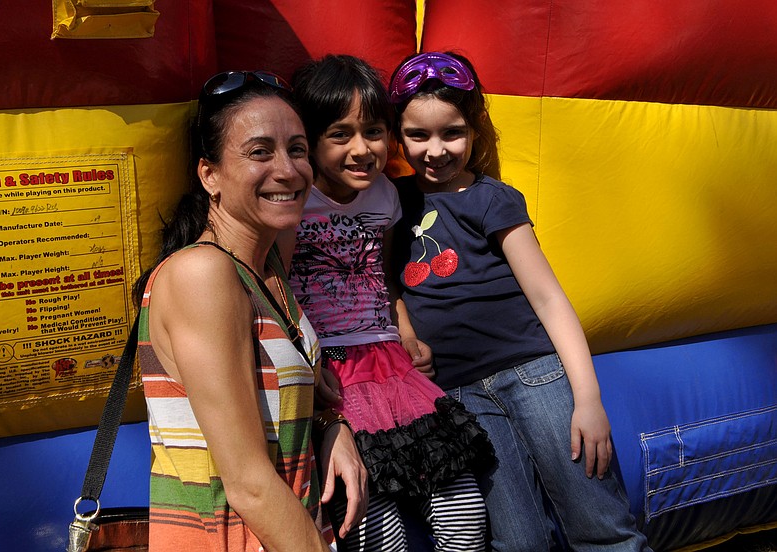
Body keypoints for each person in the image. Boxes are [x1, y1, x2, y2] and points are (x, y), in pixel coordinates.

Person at [388, 51, 654, 552]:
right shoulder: (390, 202)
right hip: (459, 394)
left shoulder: (493, 199)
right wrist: (405, 332)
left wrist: (588, 398)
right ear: (397, 135)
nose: (436, 150)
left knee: (601, 526)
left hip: (533, 375)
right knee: (517, 541)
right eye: (418, 135)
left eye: (453, 132)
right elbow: (385, 283)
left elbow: (548, 297)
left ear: (474, 129)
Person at [132, 70, 368, 552]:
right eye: (260, 152)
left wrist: (329, 425)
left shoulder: (268, 270)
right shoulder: (202, 275)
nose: (288, 170)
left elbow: (272, 409)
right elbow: (247, 483)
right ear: (209, 175)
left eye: (297, 150)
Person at [280, 54, 494, 552]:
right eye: (340, 135)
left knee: (464, 516)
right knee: (381, 533)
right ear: (308, 140)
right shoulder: (294, 198)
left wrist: (407, 332)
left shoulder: (385, 198)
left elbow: (383, 275)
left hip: (391, 365)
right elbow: (278, 288)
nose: (362, 149)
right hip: (333, 372)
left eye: (374, 131)